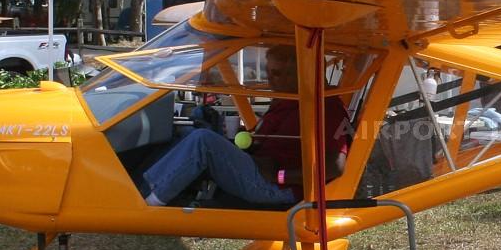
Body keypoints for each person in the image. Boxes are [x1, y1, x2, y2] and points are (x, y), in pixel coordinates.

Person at [141, 44, 350, 207]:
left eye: (276, 73)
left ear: (300, 73)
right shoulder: (288, 102)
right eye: (268, 72)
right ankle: (146, 189)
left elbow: (335, 166)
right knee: (189, 132)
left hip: (278, 188)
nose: (269, 80)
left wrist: (280, 175)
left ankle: (150, 204)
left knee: (202, 140)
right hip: (261, 171)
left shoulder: (325, 107)